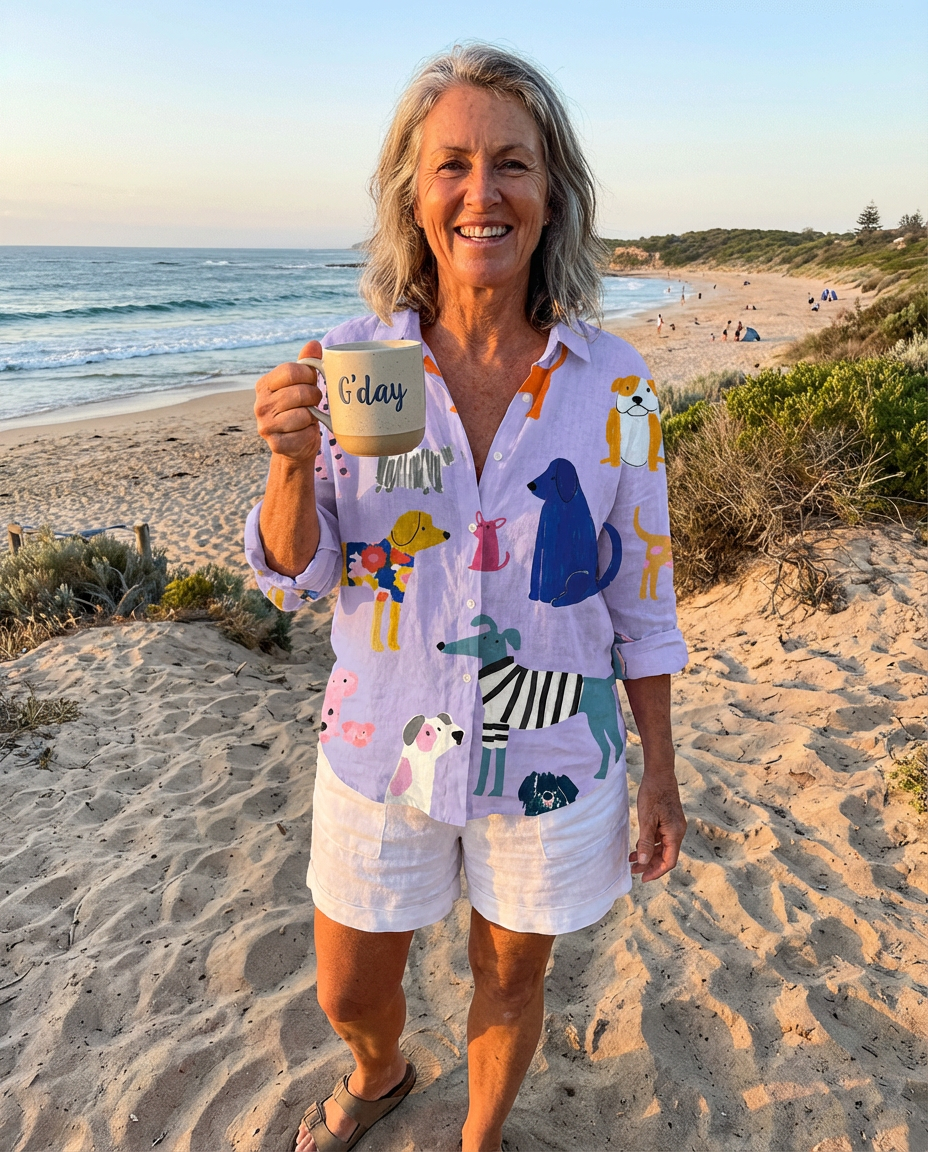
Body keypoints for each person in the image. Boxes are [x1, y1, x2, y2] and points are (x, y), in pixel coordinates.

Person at [247, 44, 688, 1152]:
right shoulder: (362, 365)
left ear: (552, 194)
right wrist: (291, 466)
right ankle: (381, 1072)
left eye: (512, 164)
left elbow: (643, 597)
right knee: (348, 989)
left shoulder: (617, 381)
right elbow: (299, 576)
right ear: (413, 194)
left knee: (510, 978)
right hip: (380, 745)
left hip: (552, 753)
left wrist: (660, 772)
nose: (481, 191)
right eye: (452, 164)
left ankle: (478, 1139)